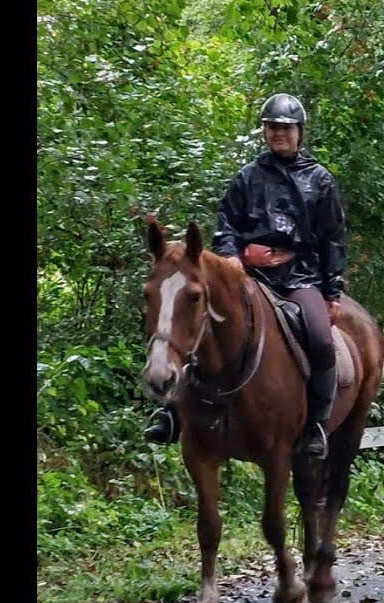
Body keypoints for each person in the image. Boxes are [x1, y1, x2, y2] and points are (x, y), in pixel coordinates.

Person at [144, 92, 348, 459]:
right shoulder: (247, 177)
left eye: (286, 128)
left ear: (300, 132)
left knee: (319, 338)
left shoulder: (320, 180)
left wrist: (332, 292)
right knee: (192, 324)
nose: (278, 134)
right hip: (247, 277)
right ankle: (171, 411)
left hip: (300, 277)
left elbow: (332, 239)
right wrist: (234, 257)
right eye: (272, 127)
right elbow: (226, 226)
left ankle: (317, 423)